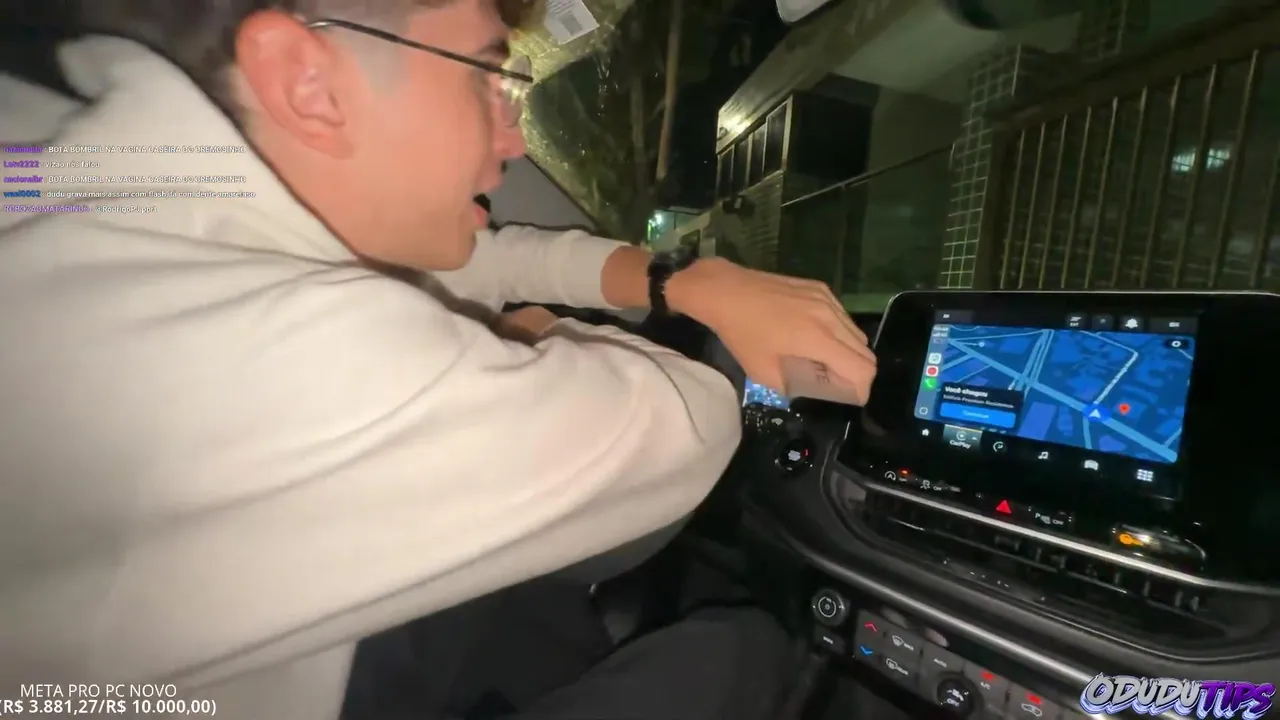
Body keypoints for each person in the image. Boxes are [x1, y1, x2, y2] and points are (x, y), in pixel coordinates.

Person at [0, 2, 877, 719]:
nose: (513, 137)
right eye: (488, 76)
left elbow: (480, 257)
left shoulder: (107, 177)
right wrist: (534, 339)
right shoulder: (295, 352)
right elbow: (685, 424)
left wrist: (683, 280)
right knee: (747, 652)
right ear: (306, 81)